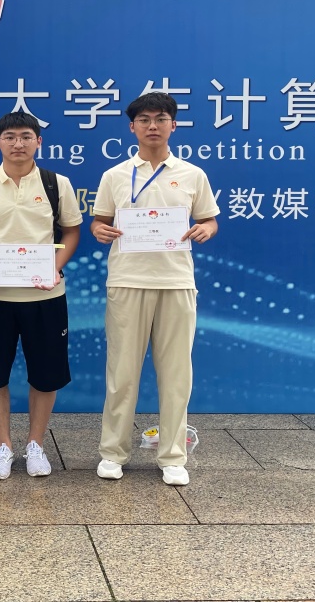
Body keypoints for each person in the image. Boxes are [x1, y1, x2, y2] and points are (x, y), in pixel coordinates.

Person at [90, 92, 219, 486]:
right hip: (127, 281)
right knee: (122, 373)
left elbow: (210, 220)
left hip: (176, 282)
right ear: (132, 127)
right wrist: (100, 230)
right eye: (144, 119)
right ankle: (113, 452)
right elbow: (98, 221)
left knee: (177, 374)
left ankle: (173, 456)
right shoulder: (114, 175)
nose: (152, 126)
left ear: (173, 125)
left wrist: (205, 229)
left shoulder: (192, 174)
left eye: (160, 118)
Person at [0, 112, 81, 479]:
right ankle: (4, 446)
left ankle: (36, 444)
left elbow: (72, 231)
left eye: (26, 136)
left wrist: (55, 266)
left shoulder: (57, 184)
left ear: (39, 141)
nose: (18, 143)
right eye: (9, 137)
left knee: (46, 374)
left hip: (46, 296)